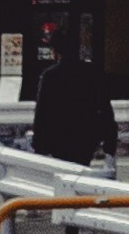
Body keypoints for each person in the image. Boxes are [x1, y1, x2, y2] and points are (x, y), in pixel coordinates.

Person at [31, 24, 116, 166]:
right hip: (86, 136)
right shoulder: (91, 73)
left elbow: (42, 112)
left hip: (58, 136)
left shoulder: (50, 76)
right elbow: (104, 108)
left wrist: (38, 143)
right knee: (82, 166)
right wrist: (109, 140)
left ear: (55, 51)